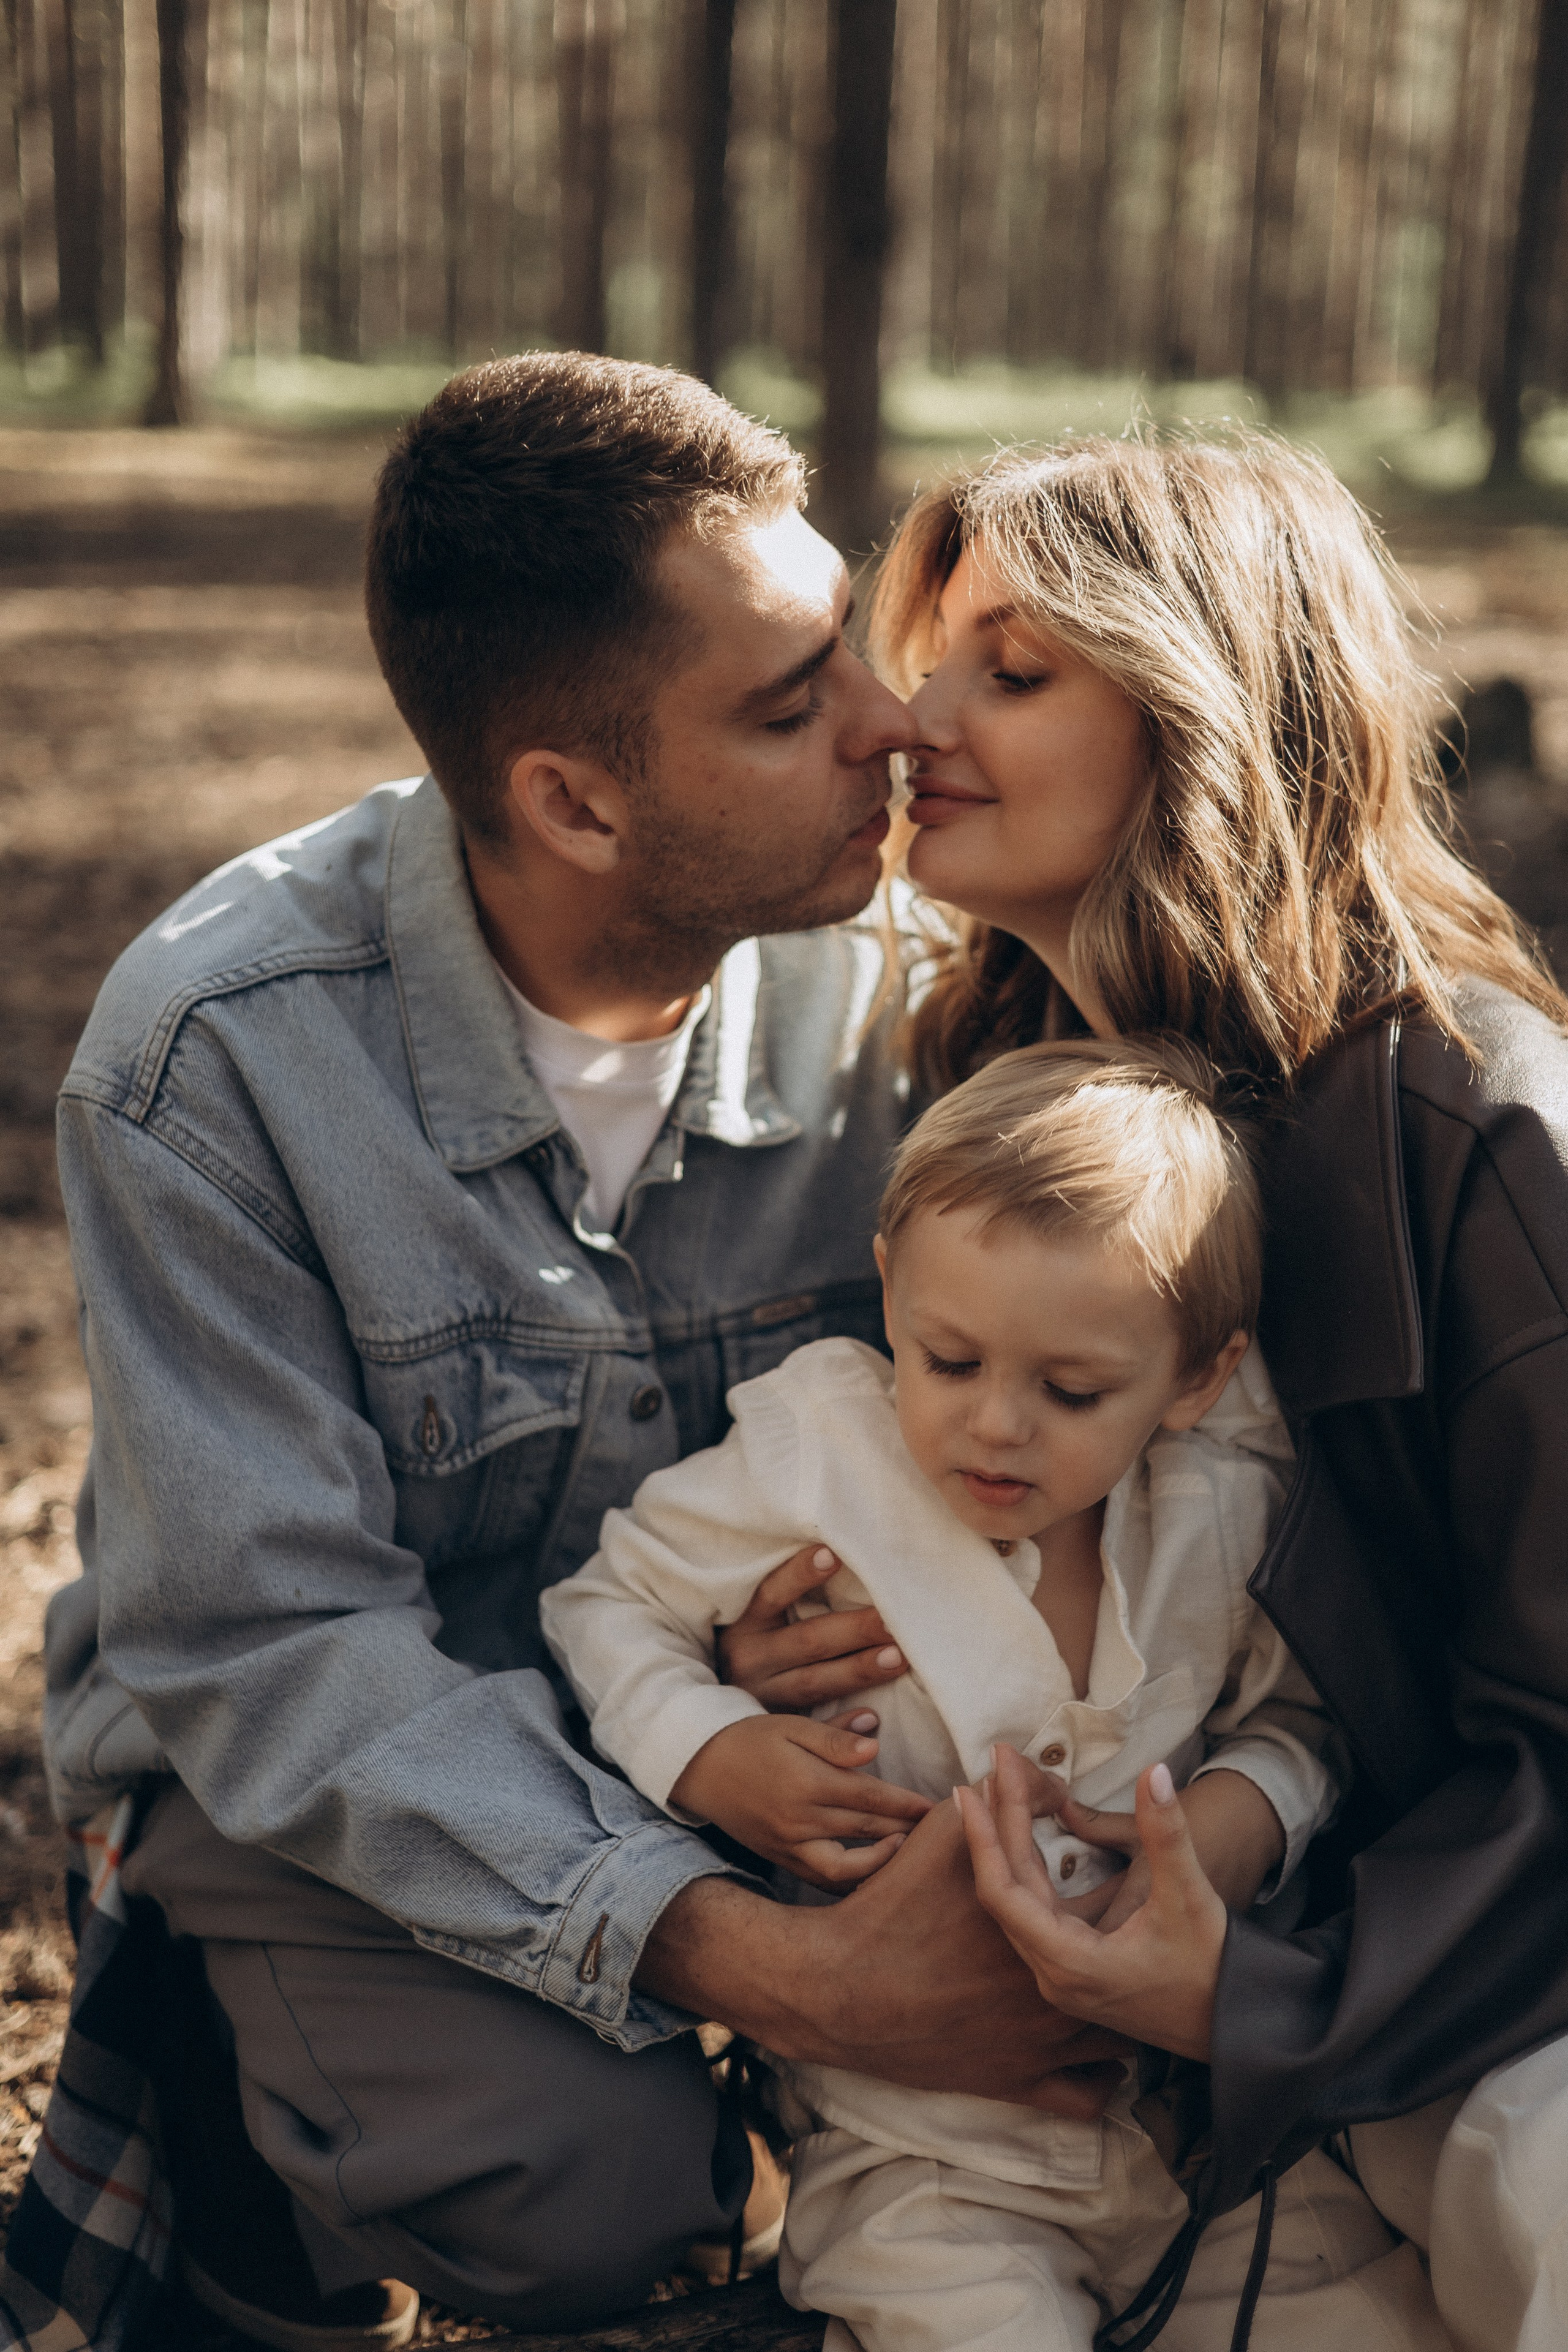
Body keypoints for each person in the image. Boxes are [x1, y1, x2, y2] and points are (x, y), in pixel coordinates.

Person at [14, 354, 1131, 2352]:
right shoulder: (219, 1060)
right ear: (573, 799)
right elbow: (281, 1661)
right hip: (326, 1758)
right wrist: (779, 1976)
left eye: (847, 648)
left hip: (727, 1726)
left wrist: (771, 1626)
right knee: (597, 2186)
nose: (896, 727)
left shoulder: (908, 1004)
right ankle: (239, 2166)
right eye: (795, 705)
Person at [718, 431, 1568, 2352]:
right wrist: (842, 1620)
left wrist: (1251, 1999)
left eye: (1011, 674)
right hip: (1127, 2085)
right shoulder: (999, 1083)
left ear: (1206, 720)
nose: (911, 720)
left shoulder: (1487, 1140)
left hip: (1470, 2011)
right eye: (932, 655)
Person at [541, 1038, 1448, 2350]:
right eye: (947, 1359)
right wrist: (712, 1749)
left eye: (1069, 1391)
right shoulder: (821, 1455)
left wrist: (1237, 1819)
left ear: (1195, 1378)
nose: (993, 1426)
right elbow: (604, 1603)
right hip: (917, 2151)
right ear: (887, 1296)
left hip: (1198, 2135)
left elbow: (1296, 1720)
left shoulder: (1222, 1509)